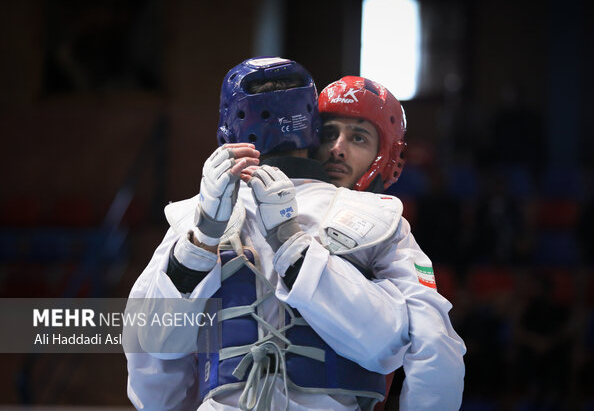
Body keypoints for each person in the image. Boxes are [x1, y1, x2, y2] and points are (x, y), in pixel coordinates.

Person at [125, 57, 414, 411]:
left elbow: (151, 361)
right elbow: (397, 344)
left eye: (357, 138)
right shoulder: (379, 218)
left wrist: (207, 240)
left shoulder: (191, 219)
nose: (339, 149)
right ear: (312, 127)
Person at [311, 76, 466, 410]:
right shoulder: (255, 202)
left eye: (358, 138)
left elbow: (435, 342)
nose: (338, 147)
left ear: (383, 157)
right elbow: (174, 322)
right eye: (328, 134)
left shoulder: (390, 231)